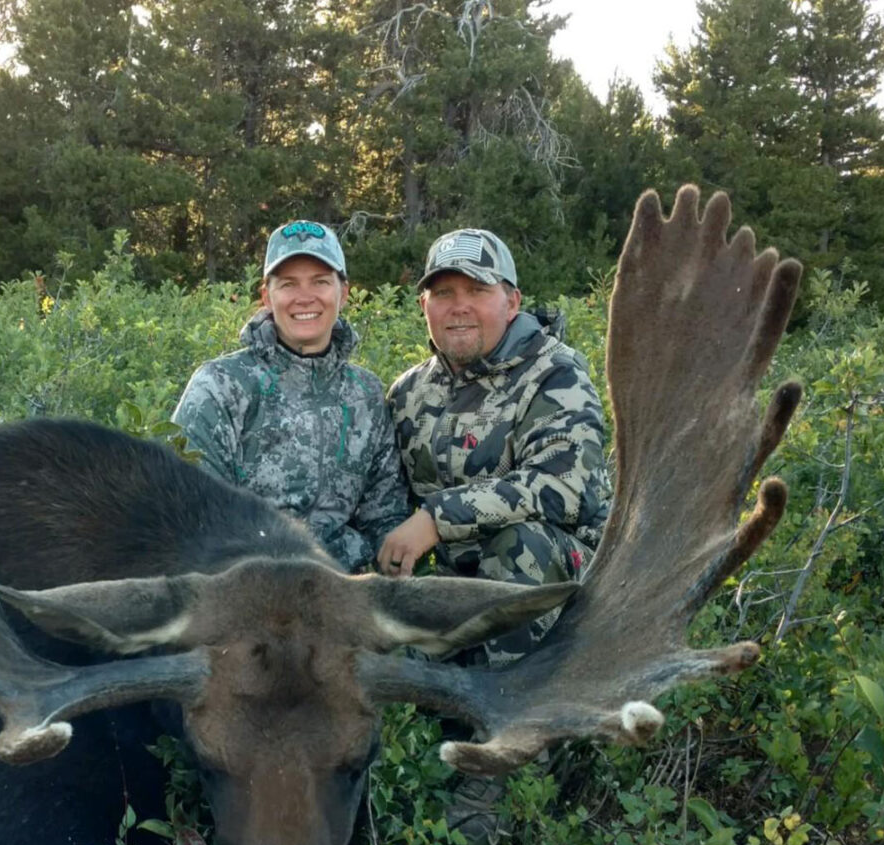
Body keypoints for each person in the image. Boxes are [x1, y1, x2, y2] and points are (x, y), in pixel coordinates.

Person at [376, 227, 611, 666]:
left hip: (566, 580)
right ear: (423, 306)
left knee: (521, 544)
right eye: (443, 292)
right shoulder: (408, 393)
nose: (459, 305)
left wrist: (435, 519)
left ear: (512, 302)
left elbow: (565, 491)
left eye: (478, 289)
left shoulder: (555, 374)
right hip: (458, 586)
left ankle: (513, 709)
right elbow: (388, 501)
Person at [170, 220, 408, 572]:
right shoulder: (220, 385)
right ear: (267, 296)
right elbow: (191, 514)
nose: (304, 297)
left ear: (343, 292)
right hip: (248, 586)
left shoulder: (366, 393)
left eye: (320, 282)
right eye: (288, 284)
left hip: (347, 590)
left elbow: (384, 515)